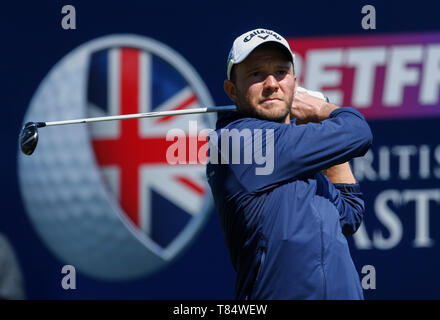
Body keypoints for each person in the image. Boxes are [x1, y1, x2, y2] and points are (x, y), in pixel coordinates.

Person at [206, 28, 373, 300]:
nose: (272, 83)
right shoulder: (236, 143)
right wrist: (323, 111)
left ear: (294, 83)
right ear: (232, 91)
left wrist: (322, 134)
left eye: (281, 72)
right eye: (256, 73)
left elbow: (348, 215)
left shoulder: (295, 151)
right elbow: (358, 132)